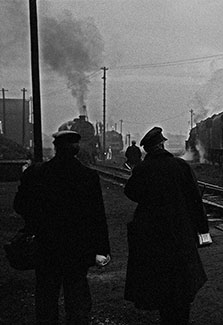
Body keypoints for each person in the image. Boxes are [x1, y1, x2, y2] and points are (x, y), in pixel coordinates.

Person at [13, 130, 111, 324]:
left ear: (56, 148)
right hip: (77, 247)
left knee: (46, 296)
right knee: (77, 297)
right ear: (76, 149)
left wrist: (37, 222)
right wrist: (102, 249)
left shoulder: (36, 173)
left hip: (46, 245)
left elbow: (20, 205)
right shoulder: (88, 176)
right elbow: (97, 216)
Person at [124, 126, 209, 325]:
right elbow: (195, 200)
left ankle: (165, 315)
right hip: (180, 231)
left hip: (152, 234)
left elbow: (131, 193)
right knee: (182, 278)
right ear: (163, 144)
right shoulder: (180, 166)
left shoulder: (142, 169)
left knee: (160, 279)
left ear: (148, 149)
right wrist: (203, 229)